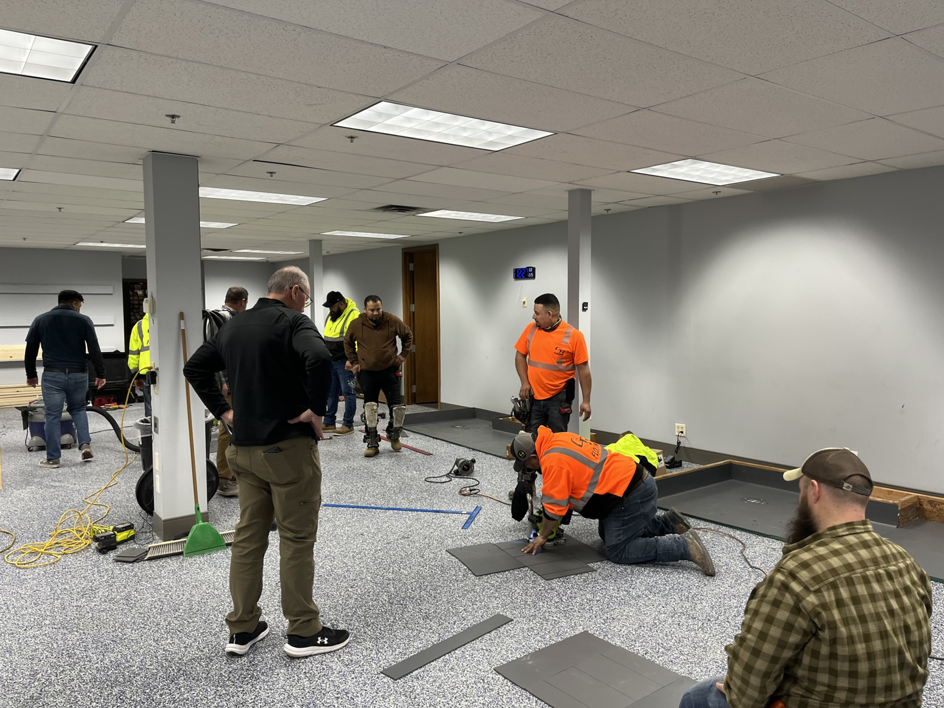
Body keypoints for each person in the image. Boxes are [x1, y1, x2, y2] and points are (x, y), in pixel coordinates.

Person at [680, 448, 933, 708]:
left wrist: (737, 688)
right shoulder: (908, 564)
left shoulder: (796, 576)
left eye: (800, 490)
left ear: (814, 491)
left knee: (698, 697)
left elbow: (746, 693)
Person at [183, 266, 349, 658]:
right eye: (306, 297)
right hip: (287, 451)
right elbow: (320, 357)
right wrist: (315, 410)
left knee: (248, 538)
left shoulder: (233, 326)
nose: (305, 304)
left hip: (242, 451)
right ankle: (304, 631)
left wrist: (223, 411)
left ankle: (243, 628)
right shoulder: (294, 322)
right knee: (296, 539)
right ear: (295, 291)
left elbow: (194, 367)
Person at [511, 427, 715, 575]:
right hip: (629, 484)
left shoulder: (553, 461)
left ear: (533, 456)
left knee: (619, 550)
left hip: (631, 493)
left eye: (526, 463)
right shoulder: (557, 438)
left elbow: (555, 508)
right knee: (606, 536)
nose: (528, 468)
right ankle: (669, 523)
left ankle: (685, 546)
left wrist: (542, 536)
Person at [24, 290, 106, 468]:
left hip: (53, 374)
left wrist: (31, 374)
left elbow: (30, 350)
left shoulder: (40, 320)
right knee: (79, 409)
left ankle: (53, 458)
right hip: (78, 374)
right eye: (80, 305)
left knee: (52, 416)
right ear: (74, 304)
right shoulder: (84, 320)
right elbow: (94, 348)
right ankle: (84, 445)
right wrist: (101, 374)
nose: (80, 308)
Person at [344, 295, 413, 457]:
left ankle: (393, 435)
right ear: (365, 310)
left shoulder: (392, 320)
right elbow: (347, 343)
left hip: (389, 370)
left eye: (378, 309)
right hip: (367, 372)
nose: (375, 313)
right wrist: (354, 362)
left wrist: (403, 355)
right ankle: (372, 442)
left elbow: (407, 335)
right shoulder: (356, 324)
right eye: (372, 310)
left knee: (397, 408)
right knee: (370, 408)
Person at [515, 293, 591, 434]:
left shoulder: (574, 336)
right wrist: (524, 382)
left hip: (559, 398)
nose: (533, 316)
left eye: (537, 313)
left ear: (549, 314)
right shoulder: (531, 329)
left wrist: (586, 401)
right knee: (533, 438)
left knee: (557, 438)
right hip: (534, 397)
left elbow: (584, 370)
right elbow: (520, 355)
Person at [204, 286, 249, 497]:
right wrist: (221, 382)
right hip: (228, 383)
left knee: (234, 427)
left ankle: (233, 473)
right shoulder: (223, 319)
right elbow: (217, 353)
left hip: (235, 381)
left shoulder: (223, 318)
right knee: (227, 428)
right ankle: (223, 479)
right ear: (243, 301)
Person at [321, 291, 359, 436]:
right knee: (331, 393)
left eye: (332, 306)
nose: (330, 309)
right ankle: (329, 422)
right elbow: (327, 337)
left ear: (341, 304)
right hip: (331, 361)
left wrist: (352, 360)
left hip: (345, 363)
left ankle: (348, 425)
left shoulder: (354, 315)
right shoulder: (332, 315)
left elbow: (358, 340)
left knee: (349, 393)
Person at [127, 313, 151, 421]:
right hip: (167, 370)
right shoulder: (168, 321)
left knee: (150, 406)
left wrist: (135, 376)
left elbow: (133, 354)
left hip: (146, 371)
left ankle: (150, 429)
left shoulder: (139, 326)